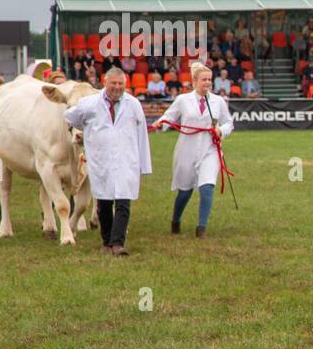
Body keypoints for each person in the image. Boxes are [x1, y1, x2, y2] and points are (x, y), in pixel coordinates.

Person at [63, 66, 152, 256]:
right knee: (103, 202)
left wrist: (144, 164)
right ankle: (106, 241)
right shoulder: (89, 103)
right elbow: (70, 117)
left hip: (126, 158)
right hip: (100, 159)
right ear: (105, 82)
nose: (117, 87)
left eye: (121, 84)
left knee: (123, 201)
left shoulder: (133, 104)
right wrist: (86, 128)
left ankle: (117, 243)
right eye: (114, 83)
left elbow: (142, 133)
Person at [149, 62, 234, 239]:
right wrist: (160, 123)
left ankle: (201, 228)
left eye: (210, 80)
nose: (208, 83)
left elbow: (229, 123)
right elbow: (169, 116)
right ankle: (175, 220)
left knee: (207, 186)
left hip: (209, 149)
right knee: (185, 190)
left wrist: (221, 130)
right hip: (186, 149)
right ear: (194, 81)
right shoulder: (182, 100)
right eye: (204, 79)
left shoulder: (218, 101)